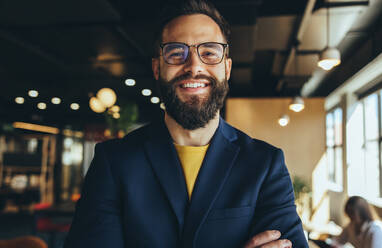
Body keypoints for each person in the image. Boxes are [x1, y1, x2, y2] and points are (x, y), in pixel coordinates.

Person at [64, 0, 308, 247]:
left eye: (210, 53)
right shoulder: (114, 162)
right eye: (176, 52)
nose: (194, 66)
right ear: (157, 68)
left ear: (227, 67)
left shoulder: (265, 164)